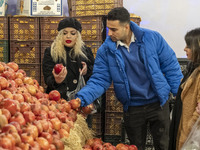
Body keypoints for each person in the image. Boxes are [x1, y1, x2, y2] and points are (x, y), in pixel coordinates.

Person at [75, 7, 183, 150]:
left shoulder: (152, 38)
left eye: (114, 29)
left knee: (164, 145)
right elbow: (99, 80)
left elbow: (171, 67)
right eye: (108, 29)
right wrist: (81, 98)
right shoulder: (106, 51)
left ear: (126, 26)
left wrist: (181, 96)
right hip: (132, 107)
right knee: (135, 147)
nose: (110, 33)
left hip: (158, 103)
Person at [42, 17, 94, 101]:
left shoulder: (85, 52)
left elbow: (94, 74)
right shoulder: (51, 52)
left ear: (78, 36)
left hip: (80, 99)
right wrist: (56, 80)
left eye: (73, 33)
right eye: (64, 33)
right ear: (60, 35)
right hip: (58, 99)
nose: (68, 36)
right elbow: (47, 76)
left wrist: (86, 71)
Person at [169, 28, 200, 150]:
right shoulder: (193, 69)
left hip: (191, 135)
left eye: (188, 45)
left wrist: (188, 129)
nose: (185, 49)